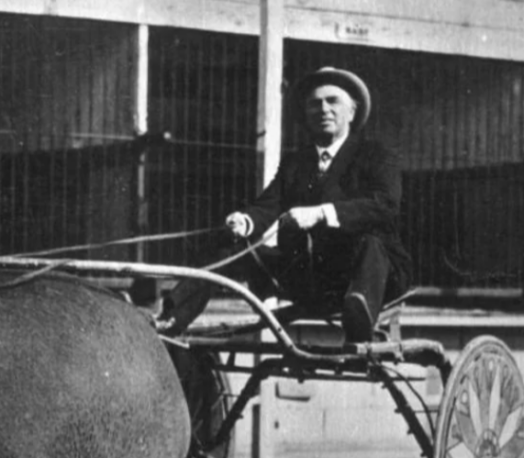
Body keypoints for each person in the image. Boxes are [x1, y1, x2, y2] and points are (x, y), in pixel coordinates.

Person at [162, 67, 411, 343]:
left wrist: (321, 213)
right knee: (227, 243)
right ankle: (172, 318)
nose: (323, 109)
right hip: (309, 277)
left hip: (364, 278)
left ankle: (359, 321)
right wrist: (245, 221)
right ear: (306, 114)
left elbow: (385, 206)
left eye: (332, 101)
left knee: (371, 241)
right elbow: (268, 205)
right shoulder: (296, 162)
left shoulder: (375, 155)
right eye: (315, 104)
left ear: (352, 112)